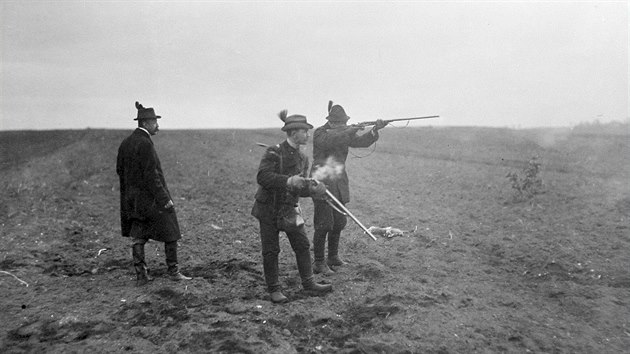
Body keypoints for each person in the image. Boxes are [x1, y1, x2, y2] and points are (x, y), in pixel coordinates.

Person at [251, 110, 332, 303]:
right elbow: (262, 177)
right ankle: (274, 290)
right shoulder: (273, 152)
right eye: (305, 131)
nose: (308, 135)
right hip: (268, 209)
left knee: (302, 245)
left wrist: (313, 190)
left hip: (289, 208)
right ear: (294, 132)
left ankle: (309, 283)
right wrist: (288, 181)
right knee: (271, 251)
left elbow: (300, 188)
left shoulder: (303, 158)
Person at [116, 101, 191, 286]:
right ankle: (173, 271)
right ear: (146, 124)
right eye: (155, 122)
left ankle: (141, 275)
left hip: (132, 200)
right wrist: (165, 199)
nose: (158, 125)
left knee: (139, 234)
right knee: (171, 229)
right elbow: (152, 175)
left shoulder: (126, 142)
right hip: (150, 198)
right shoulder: (145, 144)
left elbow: (119, 170)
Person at [310, 101, 387, 274]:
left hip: (338, 181)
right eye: (341, 123)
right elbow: (332, 140)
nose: (343, 125)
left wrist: (375, 129)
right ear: (332, 122)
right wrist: (350, 129)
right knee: (324, 224)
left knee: (339, 221)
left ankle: (333, 257)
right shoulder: (321, 133)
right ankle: (319, 262)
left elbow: (361, 142)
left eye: (345, 123)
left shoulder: (343, 132)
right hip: (321, 181)